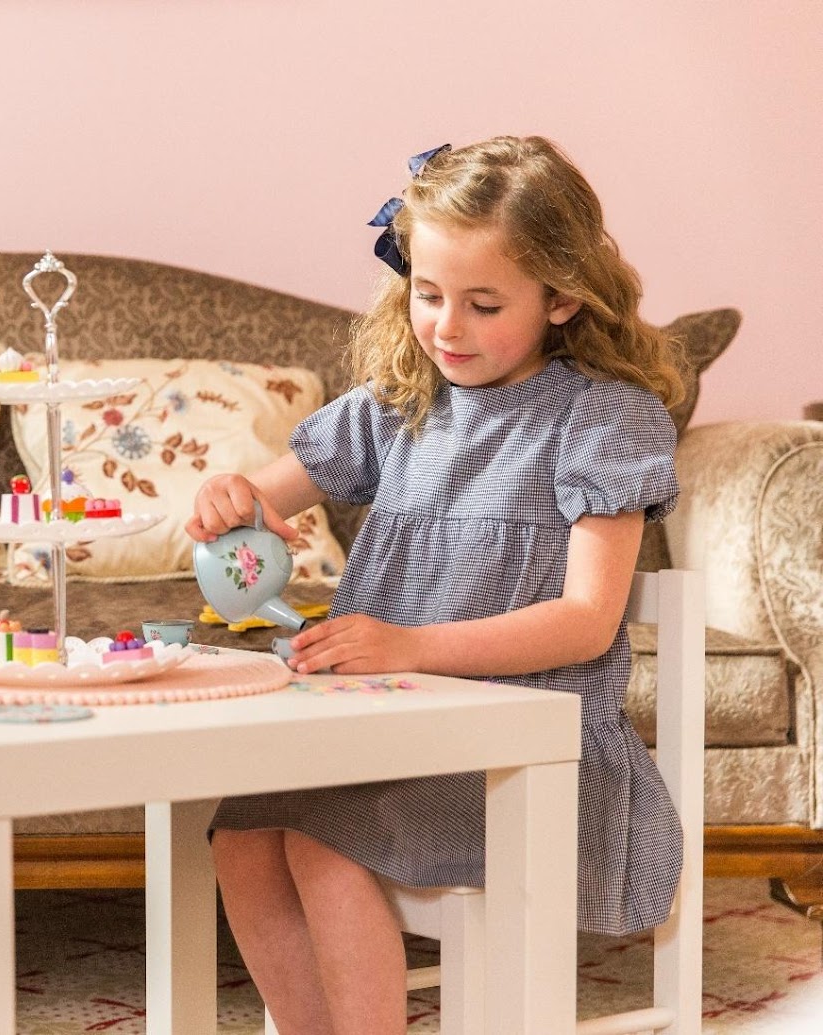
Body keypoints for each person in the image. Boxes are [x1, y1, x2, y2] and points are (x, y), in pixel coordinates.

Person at [185, 136, 685, 1034]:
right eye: (427, 294)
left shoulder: (603, 419)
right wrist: (236, 497)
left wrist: (407, 644)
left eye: (483, 304)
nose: (447, 327)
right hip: (391, 734)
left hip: (524, 753)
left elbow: (584, 621)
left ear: (562, 297)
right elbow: (267, 493)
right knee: (241, 832)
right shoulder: (405, 398)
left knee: (320, 838)